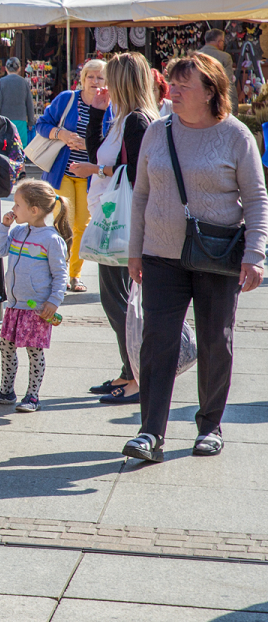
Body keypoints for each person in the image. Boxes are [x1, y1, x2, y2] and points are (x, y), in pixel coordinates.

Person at [124, 53, 268, 463]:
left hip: (218, 255)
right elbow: (141, 196)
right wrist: (135, 251)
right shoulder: (157, 131)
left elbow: (257, 199)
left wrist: (255, 254)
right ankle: (150, 432)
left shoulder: (236, 135)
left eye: (185, 85)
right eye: (172, 83)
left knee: (214, 341)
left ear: (210, 91)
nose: (174, 91)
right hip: (160, 256)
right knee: (158, 342)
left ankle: (210, 426)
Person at [83, 53, 160, 405]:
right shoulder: (123, 118)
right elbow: (99, 154)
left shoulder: (137, 121)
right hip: (112, 218)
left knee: (120, 305)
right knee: (115, 301)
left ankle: (136, 377)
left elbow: (134, 176)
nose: (103, 85)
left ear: (123, 82)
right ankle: (127, 371)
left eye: (109, 79)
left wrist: (97, 173)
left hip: (125, 223)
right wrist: (97, 114)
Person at [0, 179, 70, 412]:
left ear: (34, 210)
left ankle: (32, 397)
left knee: (34, 351)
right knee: (6, 347)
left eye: (17, 204)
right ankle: (6, 391)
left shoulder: (51, 240)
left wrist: (54, 301)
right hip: (15, 305)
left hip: (37, 308)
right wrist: (3, 227)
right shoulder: (18, 230)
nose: (13, 208)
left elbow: (61, 275)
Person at [34, 58, 113, 293]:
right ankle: (58, 272)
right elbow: (41, 124)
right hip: (63, 173)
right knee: (64, 224)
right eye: (91, 77)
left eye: (100, 77)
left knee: (83, 226)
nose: (95, 82)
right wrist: (62, 135)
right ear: (83, 79)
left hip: (90, 175)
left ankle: (74, 275)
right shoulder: (67, 99)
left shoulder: (111, 105)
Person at [0, 57, 37, 145]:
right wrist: (31, 122)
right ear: (19, 69)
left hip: (4, 123)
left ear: (5, 69)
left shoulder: (0, 82)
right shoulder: (24, 83)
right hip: (21, 121)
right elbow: (29, 104)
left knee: (6, 148)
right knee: (20, 150)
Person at [196, 28, 237, 107]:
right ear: (219, 42)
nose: (223, 44)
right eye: (223, 41)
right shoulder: (225, 57)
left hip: (198, 99)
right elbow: (228, 83)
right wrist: (233, 105)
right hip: (217, 101)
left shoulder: (195, 56)